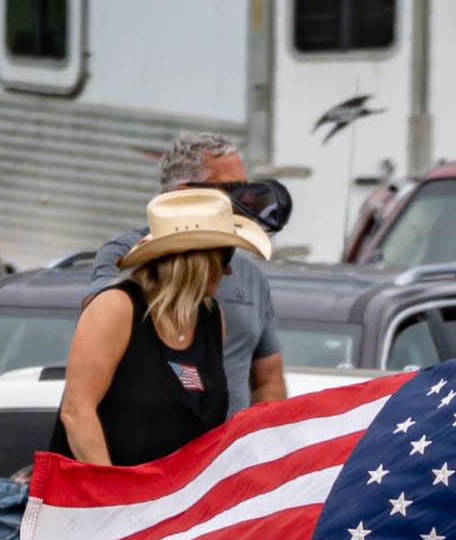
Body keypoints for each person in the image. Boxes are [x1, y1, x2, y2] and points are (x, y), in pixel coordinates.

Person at [57, 188, 271, 469]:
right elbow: (76, 411)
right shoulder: (117, 307)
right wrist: (113, 495)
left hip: (173, 502)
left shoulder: (210, 316)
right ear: (196, 261)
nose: (230, 270)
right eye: (226, 256)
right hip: (101, 500)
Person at [82, 135, 287, 416]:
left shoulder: (250, 273)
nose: (246, 200)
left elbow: (269, 380)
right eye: (232, 189)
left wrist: (257, 442)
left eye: (246, 187)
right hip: (149, 451)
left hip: (225, 454)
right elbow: (97, 327)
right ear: (185, 194)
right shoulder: (125, 255)